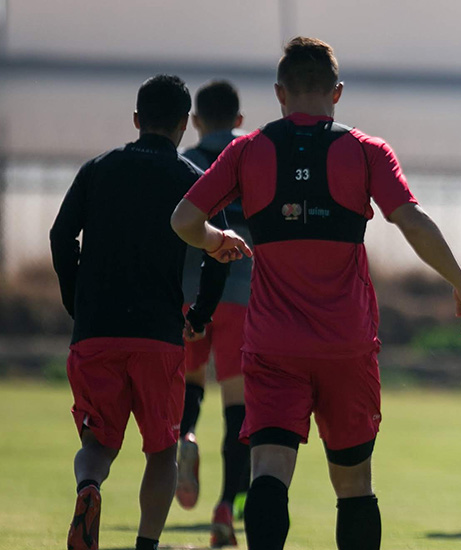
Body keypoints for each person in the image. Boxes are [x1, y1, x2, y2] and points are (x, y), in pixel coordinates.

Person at [170, 37, 461, 550]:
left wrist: (218, 239)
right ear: (336, 93)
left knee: (270, 468)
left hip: (273, 346)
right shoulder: (366, 151)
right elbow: (412, 221)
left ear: (279, 93)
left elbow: (183, 218)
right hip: (347, 346)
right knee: (355, 484)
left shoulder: (247, 151)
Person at [50, 74, 233, 550]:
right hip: (158, 334)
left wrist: (76, 300)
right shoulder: (192, 179)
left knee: (97, 444)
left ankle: (88, 488)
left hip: (96, 331)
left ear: (136, 120)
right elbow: (223, 248)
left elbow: (60, 236)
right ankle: (145, 545)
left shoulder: (97, 169)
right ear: (181, 126)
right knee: (161, 451)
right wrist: (200, 314)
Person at [174, 79, 253, 547]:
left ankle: (185, 437)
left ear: (196, 122)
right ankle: (225, 507)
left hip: (190, 293)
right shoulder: (254, 157)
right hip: (242, 292)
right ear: (240, 121)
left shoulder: (186, 163)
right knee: (238, 404)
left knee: (191, 381)